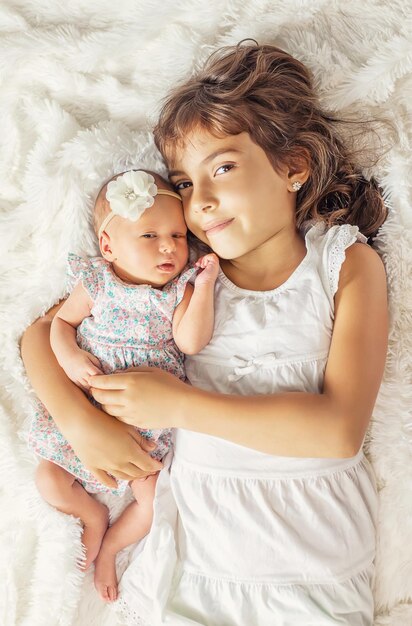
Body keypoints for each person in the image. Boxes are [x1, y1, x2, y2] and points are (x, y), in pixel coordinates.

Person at [21, 42, 388, 625]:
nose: (201, 202)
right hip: (194, 554)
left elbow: (339, 431)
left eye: (221, 167)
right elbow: (39, 336)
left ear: (293, 165)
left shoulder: (342, 265)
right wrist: (79, 422)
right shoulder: (177, 272)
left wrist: (180, 405)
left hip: (311, 560)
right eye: (184, 184)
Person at [27, 168, 219, 604]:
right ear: (108, 247)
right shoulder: (97, 283)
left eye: (177, 234)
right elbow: (59, 324)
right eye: (149, 236)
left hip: (142, 422)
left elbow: (191, 340)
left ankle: (112, 544)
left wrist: (204, 286)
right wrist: (71, 356)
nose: (169, 246)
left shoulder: (178, 290)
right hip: (86, 402)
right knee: (48, 478)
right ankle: (91, 515)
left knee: (152, 501)